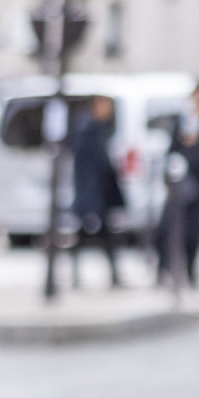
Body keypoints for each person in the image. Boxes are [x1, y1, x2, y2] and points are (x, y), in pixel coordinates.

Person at [159, 80, 199, 288]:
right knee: (170, 226)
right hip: (180, 182)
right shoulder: (181, 121)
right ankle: (165, 268)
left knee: (194, 229)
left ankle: (190, 270)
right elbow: (172, 151)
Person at [71, 95, 125, 288]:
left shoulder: (99, 130)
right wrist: (90, 199)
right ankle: (78, 276)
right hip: (93, 196)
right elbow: (86, 170)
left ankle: (112, 276)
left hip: (100, 195)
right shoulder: (88, 132)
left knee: (102, 237)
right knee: (92, 236)